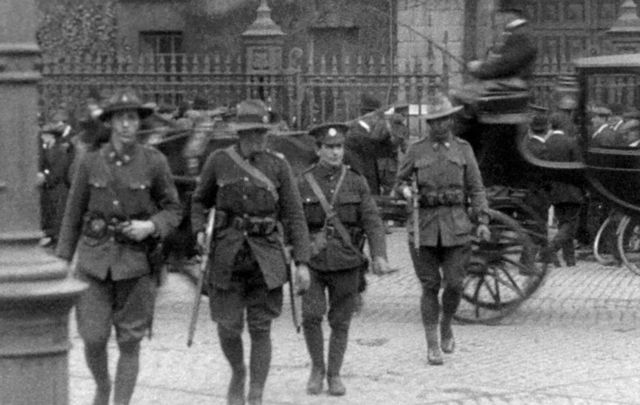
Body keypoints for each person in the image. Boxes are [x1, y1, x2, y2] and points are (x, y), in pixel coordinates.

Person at [56, 90, 183, 405]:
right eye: (121, 118)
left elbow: (173, 209)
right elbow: (72, 216)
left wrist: (150, 226)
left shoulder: (154, 162)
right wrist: (62, 262)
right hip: (93, 262)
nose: (128, 125)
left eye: (133, 118)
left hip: (135, 264)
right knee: (93, 337)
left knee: (130, 342)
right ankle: (102, 385)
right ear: (110, 122)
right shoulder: (90, 162)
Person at [190, 99, 312, 405]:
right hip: (227, 257)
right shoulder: (219, 161)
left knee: (261, 327)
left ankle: (255, 392)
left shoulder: (279, 165)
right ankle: (238, 371)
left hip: (266, 257)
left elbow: (295, 215)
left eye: (263, 132)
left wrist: (302, 262)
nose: (259, 138)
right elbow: (198, 201)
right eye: (253, 132)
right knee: (228, 327)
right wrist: (199, 231)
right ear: (240, 134)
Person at [396, 93, 491, 365]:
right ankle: (432, 345)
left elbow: (476, 187)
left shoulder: (463, 149)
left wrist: (482, 220)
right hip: (423, 229)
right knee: (430, 286)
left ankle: (447, 323)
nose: (440, 125)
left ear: (451, 120)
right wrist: (405, 191)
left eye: (445, 120)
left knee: (455, 284)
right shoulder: (416, 150)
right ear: (428, 123)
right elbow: (398, 181)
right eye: (435, 121)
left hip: (457, 228)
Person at [297, 122, 391, 396]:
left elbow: (372, 221)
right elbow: (293, 222)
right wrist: (297, 259)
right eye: (329, 148)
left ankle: (334, 374)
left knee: (341, 321)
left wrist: (379, 255)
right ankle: (317, 368)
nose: (336, 153)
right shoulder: (302, 182)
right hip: (313, 260)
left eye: (339, 147)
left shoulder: (356, 181)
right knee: (312, 316)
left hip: (347, 261)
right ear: (318, 150)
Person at [456, 0, 537, 102]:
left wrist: (481, 68)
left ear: (510, 14)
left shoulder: (520, 34)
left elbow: (507, 65)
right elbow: (505, 60)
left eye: (501, 14)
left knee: (462, 94)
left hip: (515, 83)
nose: (499, 19)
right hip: (511, 81)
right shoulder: (516, 32)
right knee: (469, 90)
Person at [540, 113, 584, 267]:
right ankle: (551, 249)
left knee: (563, 223)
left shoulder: (546, 142)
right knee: (570, 225)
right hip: (571, 189)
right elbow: (579, 167)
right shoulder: (571, 142)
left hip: (554, 190)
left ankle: (569, 259)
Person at [37, 121, 75, 248]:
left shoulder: (60, 150)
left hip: (58, 188)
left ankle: (55, 236)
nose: (43, 137)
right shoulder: (48, 149)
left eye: (45, 135)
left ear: (51, 136)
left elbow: (59, 170)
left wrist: (46, 177)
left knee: (56, 212)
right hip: (50, 188)